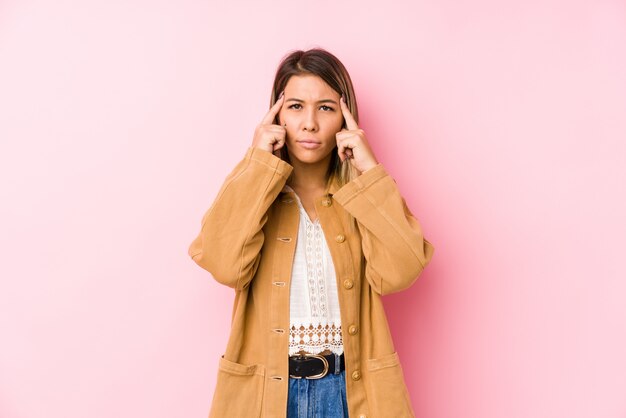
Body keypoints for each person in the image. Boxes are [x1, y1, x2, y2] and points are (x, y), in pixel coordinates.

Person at [188, 48, 435, 418]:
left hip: (351, 394)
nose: (309, 124)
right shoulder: (256, 192)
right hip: (269, 394)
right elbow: (224, 264)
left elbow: (401, 272)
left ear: (345, 117)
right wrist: (258, 164)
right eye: (295, 106)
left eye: (325, 108)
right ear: (276, 114)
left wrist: (368, 170)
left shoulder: (361, 197)